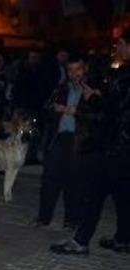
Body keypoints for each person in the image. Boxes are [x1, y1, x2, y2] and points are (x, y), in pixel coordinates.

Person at [51, 30, 130, 255]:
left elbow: (114, 111)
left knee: (95, 193)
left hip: (115, 144)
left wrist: (94, 98)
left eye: (121, 44)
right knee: (122, 193)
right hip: (122, 145)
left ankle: (81, 241)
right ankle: (123, 239)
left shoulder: (124, 75)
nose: (119, 49)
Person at [34, 53, 100, 230]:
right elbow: (45, 109)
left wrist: (76, 111)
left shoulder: (93, 88)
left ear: (85, 68)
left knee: (74, 180)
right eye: (70, 70)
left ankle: (72, 219)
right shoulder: (62, 88)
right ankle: (44, 217)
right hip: (59, 136)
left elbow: (100, 116)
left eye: (77, 69)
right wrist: (55, 110)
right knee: (50, 178)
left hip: (80, 139)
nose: (73, 73)